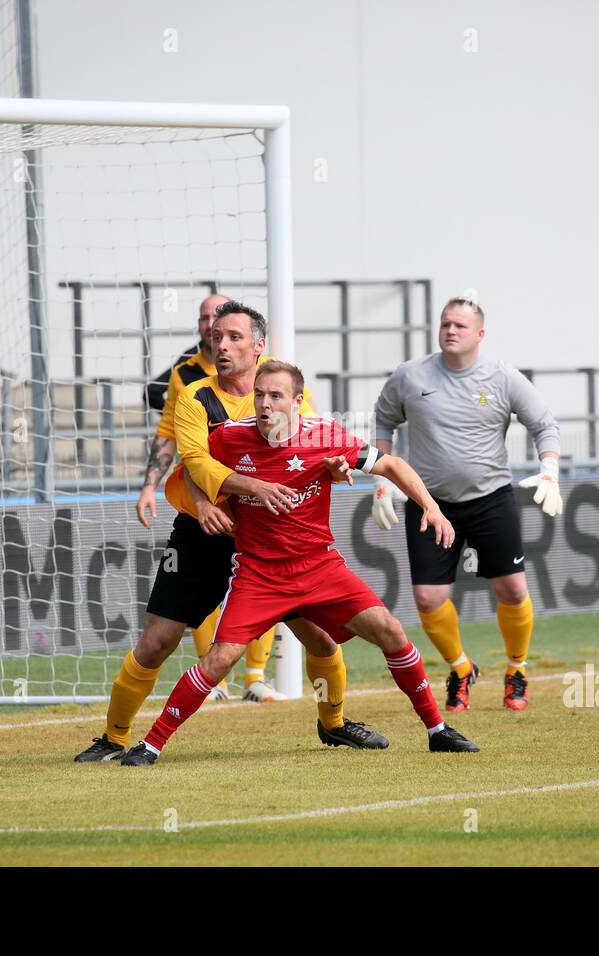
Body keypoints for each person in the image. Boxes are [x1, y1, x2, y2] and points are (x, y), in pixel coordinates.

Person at [119, 359, 479, 765]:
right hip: (259, 573)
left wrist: (431, 507)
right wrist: (204, 504)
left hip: (319, 568)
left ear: (297, 400)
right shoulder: (231, 438)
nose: (265, 404)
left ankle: (436, 730)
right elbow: (190, 470)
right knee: (220, 659)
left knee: (390, 631)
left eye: (276, 396)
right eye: (259, 395)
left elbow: (390, 463)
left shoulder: (325, 437)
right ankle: (149, 745)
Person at [75, 302, 386, 761]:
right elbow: (195, 462)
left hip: (271, 541)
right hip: (204, 533)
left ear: (259, 346)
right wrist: (209, 501)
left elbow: (317, 448)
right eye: (217, 336)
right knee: (158, 641)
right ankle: (113, 736)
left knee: (319, 639)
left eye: (234, 337)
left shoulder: (287, 389)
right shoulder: (193, 394)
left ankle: (334, 724)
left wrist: (340, 469)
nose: (221, 344)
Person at [370, 297, 561, 713]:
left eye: (459, 325)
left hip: (491, 498)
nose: (450, 331)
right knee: (427, 598)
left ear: (479, 334)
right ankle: (460, 669)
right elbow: (383, 419)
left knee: (511, 589)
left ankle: (517, 669)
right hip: (428, 501)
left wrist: (550, 470)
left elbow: (544, 424)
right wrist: (383, 482)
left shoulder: (503, 377)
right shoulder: (410, 375)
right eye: (444, 324)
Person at [135, 291, 279, 702]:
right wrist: (151, 485)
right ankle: (211, 681)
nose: (217, 337)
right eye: (209, 324)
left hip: (264, 517)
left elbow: (305, 428)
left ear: (254, 342)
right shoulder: (186, 379)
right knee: (173, 623)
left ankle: (260, 678)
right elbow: (176, 442)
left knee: (311, 627)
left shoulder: (275, 377)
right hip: (207, 514)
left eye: (229, 330)